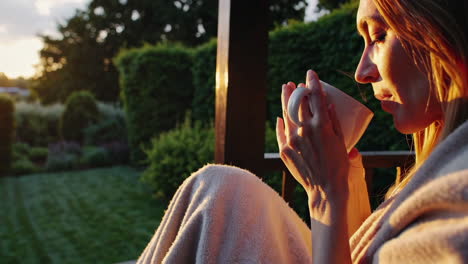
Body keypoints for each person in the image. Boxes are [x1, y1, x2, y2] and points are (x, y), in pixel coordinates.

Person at [136, 0, 468, 263]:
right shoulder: (440, 168)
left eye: (379, 36)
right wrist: (343, 180)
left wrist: (327, 194)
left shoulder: (456, 193)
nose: (361, 72)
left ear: (446, 31)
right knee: (221, 188)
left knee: (217, 193)